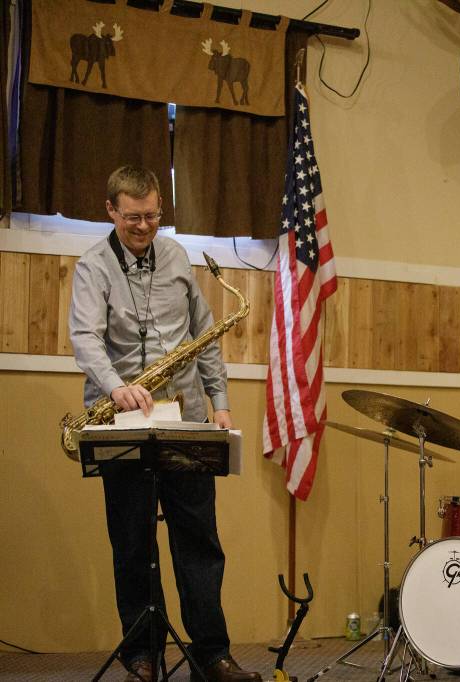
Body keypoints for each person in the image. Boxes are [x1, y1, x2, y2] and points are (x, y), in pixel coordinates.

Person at [69, 166, 259, 682]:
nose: (145, 226)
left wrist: (219, 400)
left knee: (199, 538)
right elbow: (85, 339)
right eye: (133, 217)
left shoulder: (176, 256)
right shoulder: (92, 267)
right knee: (132, 542)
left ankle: (211, 654)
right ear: (111, 211)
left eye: (153, 215)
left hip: (187, 417)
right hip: (121, 420)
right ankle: (141, 655)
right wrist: (116, 385)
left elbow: (204, 331)